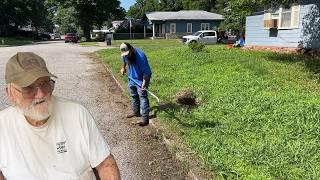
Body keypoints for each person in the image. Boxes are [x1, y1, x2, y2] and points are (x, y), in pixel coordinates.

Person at [0, 52, 120, 180]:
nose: (40, 95)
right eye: (28, 88)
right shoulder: (3, 125)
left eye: (45, 83)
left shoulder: (77, 114)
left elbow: (106, 165)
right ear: (10, 93)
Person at [119, 43, 152, 126]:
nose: (126, 56)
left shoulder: (141, 56)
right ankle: (136, 112)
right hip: (131, 78)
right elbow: (124, 60)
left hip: (142, 79)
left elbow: (146, 72)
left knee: (143, 97)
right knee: (133, 95)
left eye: (127, 54)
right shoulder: (125, 54)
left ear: (132, 49)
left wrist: (144, 83)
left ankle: (145, 119)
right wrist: (123, 68)